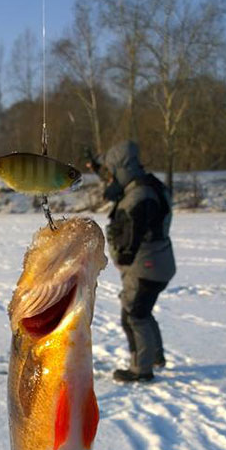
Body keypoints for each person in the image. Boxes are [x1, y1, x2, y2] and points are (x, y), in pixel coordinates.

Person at [87, 140, 176, 382]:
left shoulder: (141, 195)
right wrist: (98, 170)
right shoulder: (147, 184)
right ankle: (155, 356)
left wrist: (121, 251)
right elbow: (118, 189)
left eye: (112, 170)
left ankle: (141, 369)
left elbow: (131, 235)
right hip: (158, 262)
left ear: (122, 168)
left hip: (146, 265)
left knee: (134, 315)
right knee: (143, 311)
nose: (111, 176)